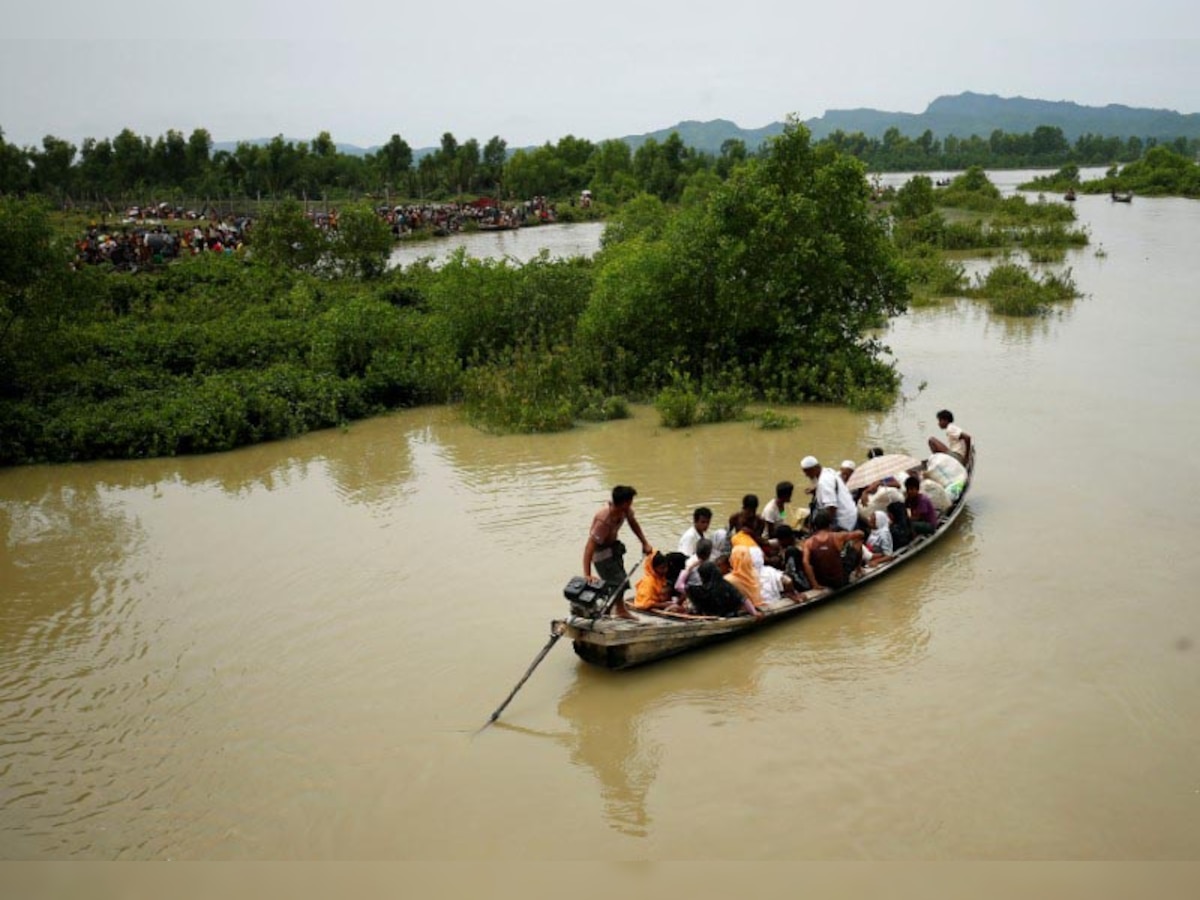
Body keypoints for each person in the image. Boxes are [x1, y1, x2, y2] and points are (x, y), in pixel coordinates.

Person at [583, 485, 653, 620]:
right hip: (600, 554)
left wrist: (644, 542)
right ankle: (614, 611)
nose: (632, 504)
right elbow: (589, 547)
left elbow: (633, 523)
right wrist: (587, 574)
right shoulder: (603, 519)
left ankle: (613, 611)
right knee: (617, 582)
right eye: (630, 501)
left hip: (612, 549)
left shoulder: (624, 511)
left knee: (620, 581)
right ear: (625, 502)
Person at [801, 511, 865, 591]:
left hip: (822, 581)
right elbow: (861, 534)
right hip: (840, 581)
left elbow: (805, 562)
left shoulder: (808, 542)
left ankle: (815, 584)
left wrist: (815, 584)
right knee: (858, 542)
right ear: (830, 524)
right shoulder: (838, 536)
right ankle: (858, 570)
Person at [801, 455, 859, 532]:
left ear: (815, 468)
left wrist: (825, 531)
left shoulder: (824, 482)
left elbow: (831, 508)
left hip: (843, 521)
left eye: (807, 472)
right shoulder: (828, 471)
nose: (806, 475)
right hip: (850, 512)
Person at [687, 561, 762, 619]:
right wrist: (754, 613)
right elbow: (743, 599)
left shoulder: (701, 590)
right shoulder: (725, 585)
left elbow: (680, 587)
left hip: (713, 617)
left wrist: (688, 569)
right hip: (728, 615)